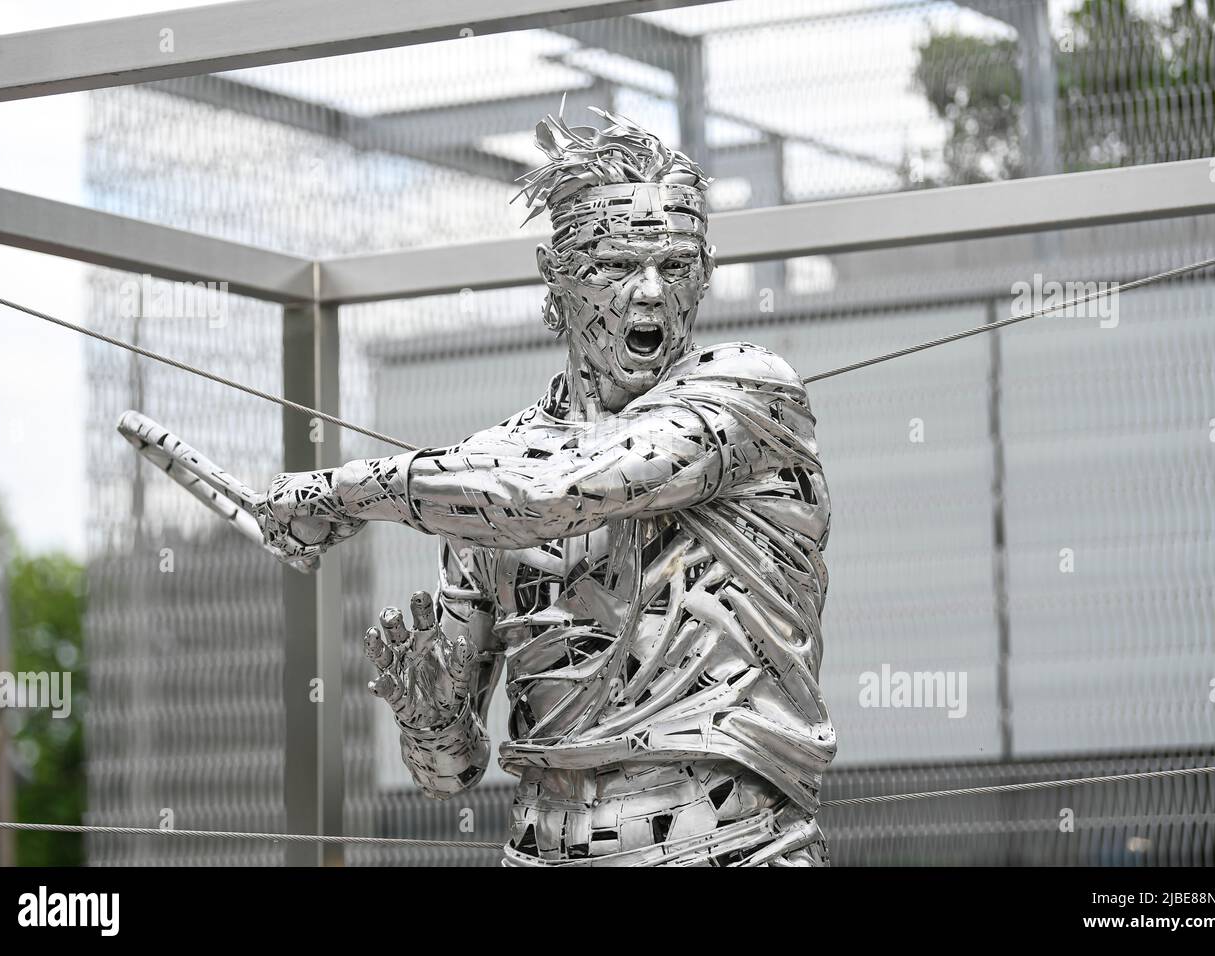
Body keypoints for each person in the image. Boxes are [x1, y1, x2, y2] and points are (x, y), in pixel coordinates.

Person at [255, 109, 836, 866]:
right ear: (555, 275)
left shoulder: (750, 396)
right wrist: (430, 718)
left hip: (729, 849)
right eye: (616, 266)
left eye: (677, 264)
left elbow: (551, 496)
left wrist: (343, 492)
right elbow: (450, 776)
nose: (652, 293)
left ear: (708, 269)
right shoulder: (485, 473)